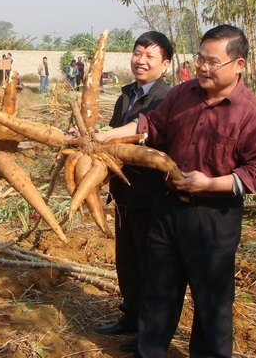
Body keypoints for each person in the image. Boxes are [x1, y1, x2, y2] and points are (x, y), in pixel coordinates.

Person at [95, 25, 256, 357]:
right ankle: (149, 351)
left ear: (239, 65)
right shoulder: (183, 94)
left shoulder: (254, 115)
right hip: (168, 209)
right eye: (200, 59)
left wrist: (210, 183)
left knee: (211, 301)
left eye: (212, 62)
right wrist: (107, 136)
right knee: (159, 291)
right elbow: (151, 124)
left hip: (213, 217)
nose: (203, 68)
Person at [95, 32, 173, 347]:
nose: (140, 60)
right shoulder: (127, 93)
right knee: (126, 260)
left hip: (151, 193)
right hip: (124, 191)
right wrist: (90, 136)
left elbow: (141, 132)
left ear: (165, 64)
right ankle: (129, 316)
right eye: (137, 53)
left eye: (149, 56)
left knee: (150, 264)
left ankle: (148, 331)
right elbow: (112, 134)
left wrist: (105, 136)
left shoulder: (167, 97)